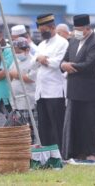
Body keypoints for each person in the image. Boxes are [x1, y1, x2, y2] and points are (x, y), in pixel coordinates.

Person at [61, 14, 95, 160]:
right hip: (74, 90)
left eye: (79, 29)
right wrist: (63, 65)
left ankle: (93, 152)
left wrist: (69, 66)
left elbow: (90, 64)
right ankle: (77, 151)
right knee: (76, 123)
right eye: (75, 29)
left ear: (87, 28)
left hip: (89, 91)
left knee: (90, 123)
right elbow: (64, 60)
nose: (76, 32)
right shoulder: (73, 41)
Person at [34, 14, 68, 151]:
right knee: (43, 126)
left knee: (57, 126)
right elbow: (33, 62)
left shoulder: (63, 43)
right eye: (41, 31)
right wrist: (40, 59)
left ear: (52, 27)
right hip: (41, 92)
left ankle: (59, 153)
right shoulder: (41, 44)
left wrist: (44, 60)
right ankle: (46, 153)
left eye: (44, 31)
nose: (42, 33)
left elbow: (58, 63)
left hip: (55, 91)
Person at [9, 37, 37, 143]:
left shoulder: (32, 61)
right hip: (16, 102)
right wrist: (17, 75)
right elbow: (10, 73)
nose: (17, 54)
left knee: (30, 130)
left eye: (19, 51)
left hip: (28, 101)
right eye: (15, 52)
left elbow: (30, 78)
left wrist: (16, 75)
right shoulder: (15, 60)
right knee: (18, 130)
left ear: (27, 50)